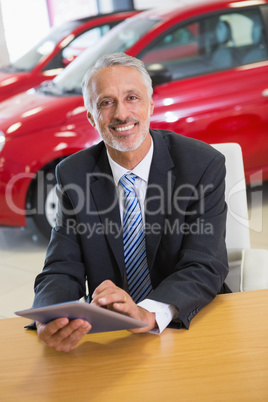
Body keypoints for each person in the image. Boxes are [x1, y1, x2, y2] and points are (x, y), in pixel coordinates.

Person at [32, 52, 229, 352]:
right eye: (106, 102)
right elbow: (61, 266)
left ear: (150, 104)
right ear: (91, 117)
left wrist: (148, 313)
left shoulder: (202, 165)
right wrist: (51, 315)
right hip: (114, 336)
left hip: (189, 320)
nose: (121, 114)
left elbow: (205, 264)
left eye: (132, 97)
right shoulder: (73, 174)